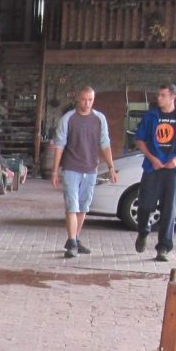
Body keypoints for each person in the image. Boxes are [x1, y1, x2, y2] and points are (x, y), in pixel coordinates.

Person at [50, 85, 117, 258]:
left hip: (91, 168)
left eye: (90, 100)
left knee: (83, 207)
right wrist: (55, 171)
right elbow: (59, 145)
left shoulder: (99, 119)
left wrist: (111, 167)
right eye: (84, 99)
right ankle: (72, 241)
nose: (87, 103)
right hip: (71, 168)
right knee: (72, 206)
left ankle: (75, 239)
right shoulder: (68, 119)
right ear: (78, 99)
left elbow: (105, 143)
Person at [133, 83, 176, 262]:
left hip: (172, 168)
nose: (158, 98)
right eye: (158, 95)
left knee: (168, 208)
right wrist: (152, 158)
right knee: (145, 205)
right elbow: (139, 139)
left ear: (172, 97)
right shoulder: (151, 116)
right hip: (152, 167)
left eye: (162, 95)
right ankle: (143, 230)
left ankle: (163, 247)